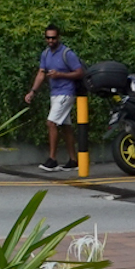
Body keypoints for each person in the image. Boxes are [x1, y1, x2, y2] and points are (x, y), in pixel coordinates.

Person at [22, 24, 85, 172]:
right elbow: (41, 73)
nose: (50, 40)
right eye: (48, 38)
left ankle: (52, 159)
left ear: (59, 38)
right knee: (65, 126)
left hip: (66, 92)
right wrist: (32, 91)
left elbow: (79, 72)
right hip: (54, 93)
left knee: (51, 123)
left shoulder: (67, 53)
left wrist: (60, 75)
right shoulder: (45, 54)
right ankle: (73, 160)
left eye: (53, 38)